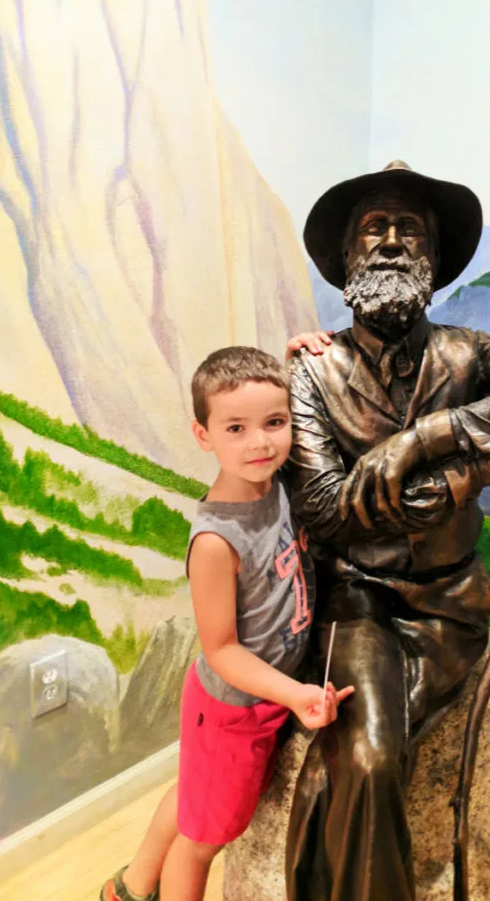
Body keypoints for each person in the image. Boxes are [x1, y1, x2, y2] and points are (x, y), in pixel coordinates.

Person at [284, 161, 490, 901]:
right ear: (348, 255)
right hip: (357, 606)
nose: (389, 241)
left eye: (407, 228)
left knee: (379, 756)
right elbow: (323, 508)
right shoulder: (311, 374)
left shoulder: (472, 356)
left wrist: (427, 438)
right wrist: (467, 476)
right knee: (372, 760)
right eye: (373, 229)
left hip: (452, 606)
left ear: (432, 254)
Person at [101, 344, 352, 901]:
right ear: (203, 435)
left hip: (254, 700)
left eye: (274, 423)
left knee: (197, 797)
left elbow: (281, 396)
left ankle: (132, 885)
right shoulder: (216, 541)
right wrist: (293, 694)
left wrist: (296, 354)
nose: (260, 441)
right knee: (204, 839)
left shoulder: (279, 483)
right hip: (233, 711)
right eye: (235, 428)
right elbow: (221, 650)